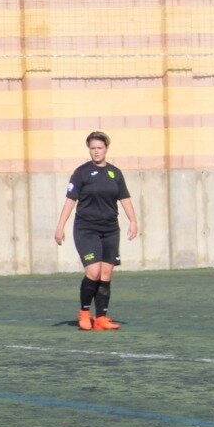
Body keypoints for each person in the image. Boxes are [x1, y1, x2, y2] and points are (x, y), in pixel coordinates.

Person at [54, 131, 138, 331]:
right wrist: (60, 226)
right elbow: (70, 200)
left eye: (100, 148)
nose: (96, 152)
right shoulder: (81, 172)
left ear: (106, 149)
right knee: (93, 271)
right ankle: (84, 312)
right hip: (86, 228)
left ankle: (101, 318)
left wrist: (133, 221)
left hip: (110, 229)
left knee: (106, 273)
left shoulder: (115, 173)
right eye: (93, 148)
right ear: (89, 149)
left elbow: (124, 198)